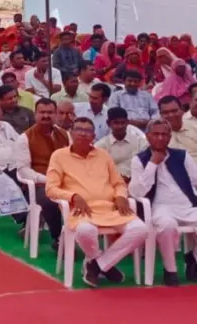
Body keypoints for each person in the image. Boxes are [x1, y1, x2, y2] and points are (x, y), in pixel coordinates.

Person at [46, 118, 149, 287]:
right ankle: (102, 264)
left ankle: (97, 265)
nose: (82, 133)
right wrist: (73, 196)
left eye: (87, 131)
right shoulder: (59, 156)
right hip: (81, 209)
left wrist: (121, 196)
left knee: (140, 229)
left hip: (110, 208)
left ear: (93, 136)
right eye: (78, 129)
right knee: (85, 230)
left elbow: (118, 183)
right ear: (71, 133)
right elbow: (51, 189)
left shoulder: (102, 155)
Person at [128, 119, 197, 286]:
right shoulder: (139, 160)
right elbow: (137, 192)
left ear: (169, 137)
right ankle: (170, 269)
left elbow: (195, 181)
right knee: (167, 226)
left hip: (186, 203)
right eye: (156, 134)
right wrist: (153, 164)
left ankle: (193, 258)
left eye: (164, 134)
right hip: (159, 206)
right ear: (147, 136)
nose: (160, 138)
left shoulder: (182, 156)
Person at [14, 98, 69, 250]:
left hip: (66, 181)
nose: (46, 116)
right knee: (50, 200)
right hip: (40, 183)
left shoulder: (65, 135)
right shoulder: (25, 138)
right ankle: (57, 238)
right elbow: (24, 170)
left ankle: (78, 236)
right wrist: (48, 180)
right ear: (35, 114)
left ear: (56, 114)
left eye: (50, 112)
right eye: (42, 112)